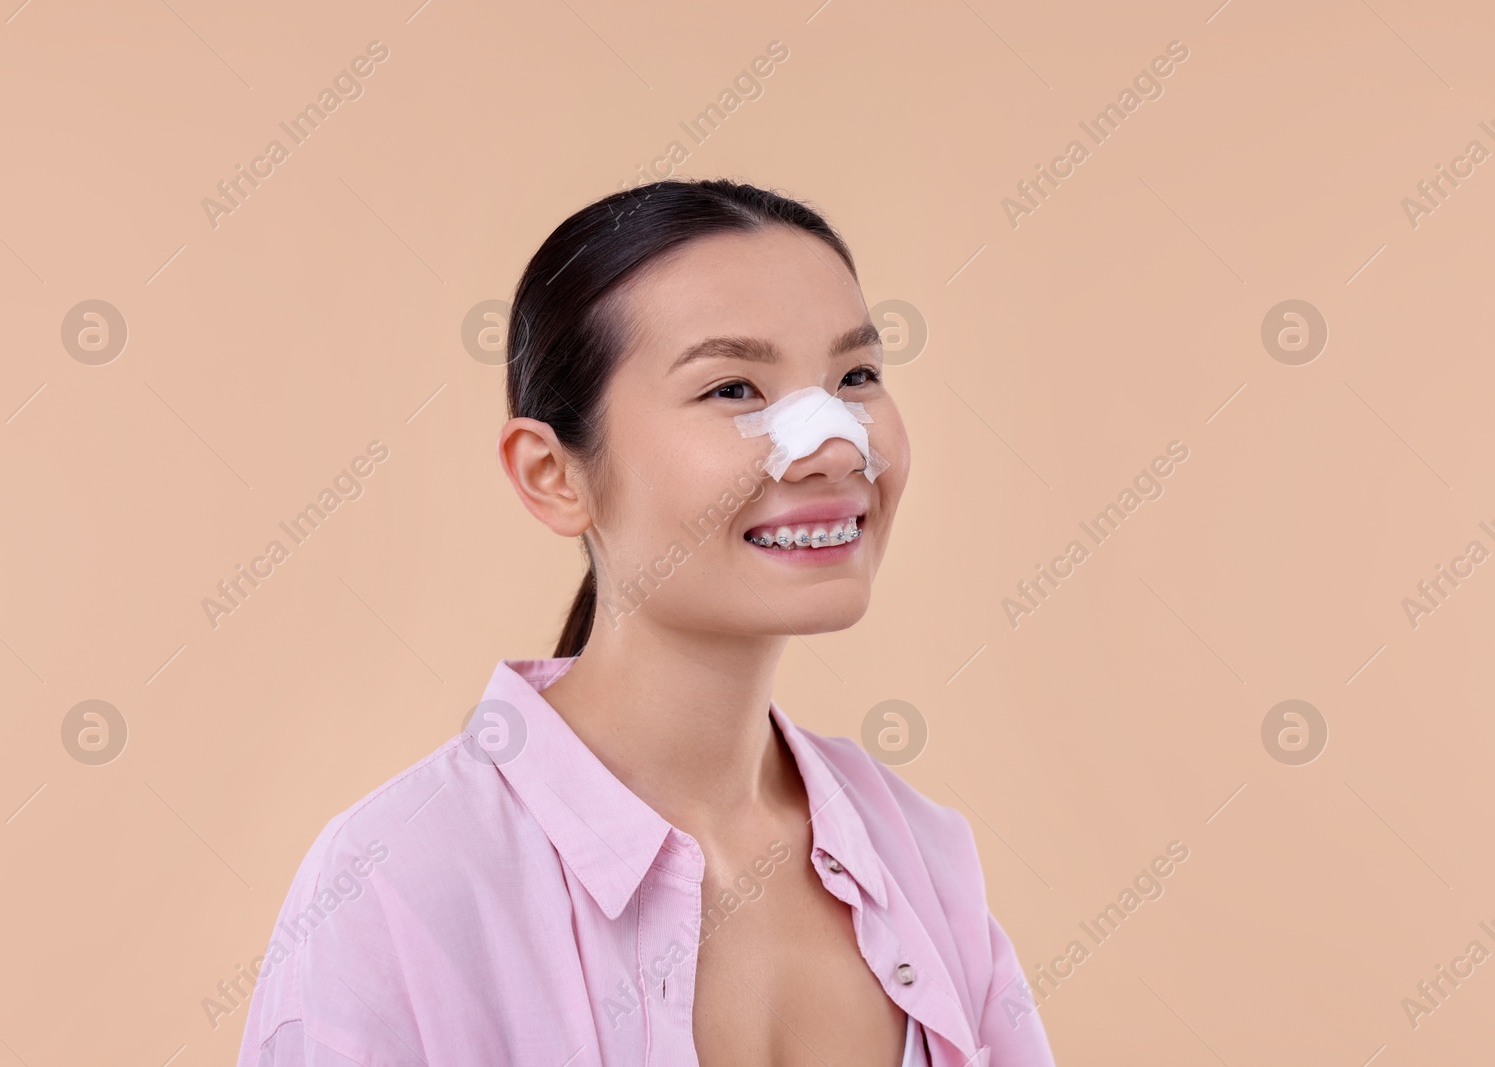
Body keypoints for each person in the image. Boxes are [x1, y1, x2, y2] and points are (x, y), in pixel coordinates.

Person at [235, 178, 1056, 1066]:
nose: (830, 445)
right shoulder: (397, 885)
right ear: (552, 473)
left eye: (855, 377)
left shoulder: (920, 856)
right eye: (735, 387)